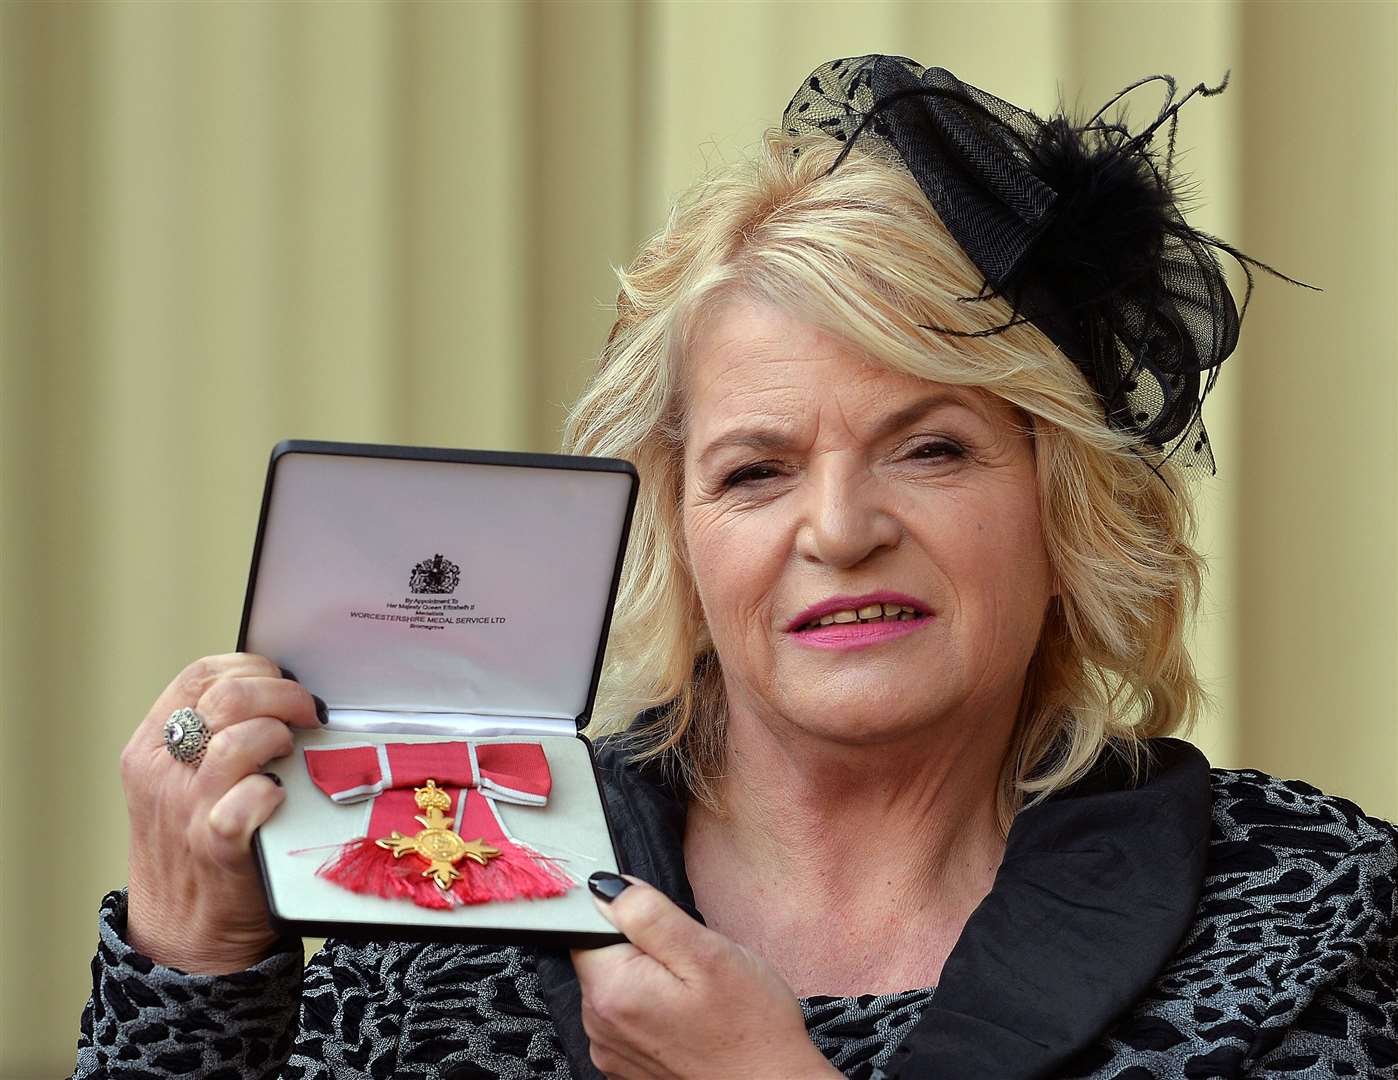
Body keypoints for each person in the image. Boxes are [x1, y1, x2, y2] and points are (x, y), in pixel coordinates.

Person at [74, 55, 1396, 1080]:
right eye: (755, 471)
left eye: (928, 448)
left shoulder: (1301, 910)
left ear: (1066, 508)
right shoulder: (446, 879)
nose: (836, 529)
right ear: (679, 535)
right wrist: (197, 958)